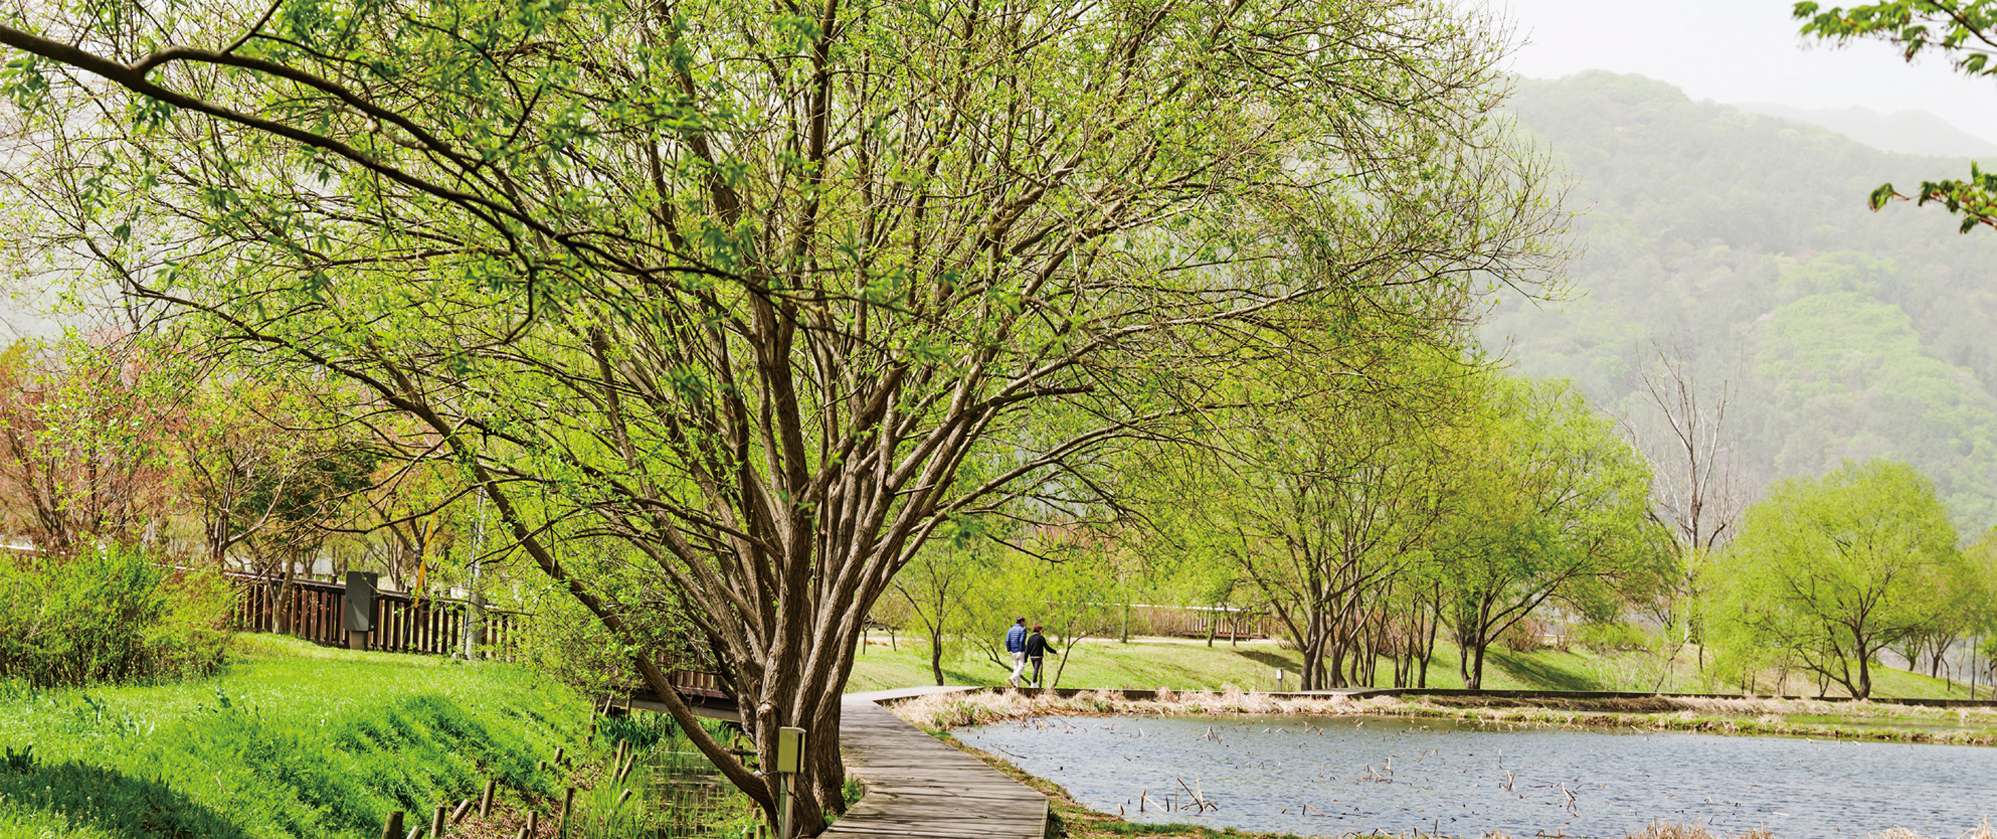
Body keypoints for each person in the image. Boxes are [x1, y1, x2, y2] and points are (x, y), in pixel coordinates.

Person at [1024, 624, 1058, 689]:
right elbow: (1047, 647)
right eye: (1041, 630)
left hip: (1032, 656)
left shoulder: (1030, 638)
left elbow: (1027, 649)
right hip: (1038, 656)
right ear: (1039, 630)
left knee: (1035, 669)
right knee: (1036, 669)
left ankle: (1035, 683)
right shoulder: (1041, 638)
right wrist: (1055, 652)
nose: (1041, 631)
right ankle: (1033, 683)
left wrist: (1025, 658)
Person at [1004, 617, 1028, 687]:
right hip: (1020, 650)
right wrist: (1021, 649)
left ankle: (1016, 684)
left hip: (1013, 651)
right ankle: (1013, 677)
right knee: (1021, 666)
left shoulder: (1010, 630)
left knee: (1016, 667)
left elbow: (1007, 640)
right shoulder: (1023, 629)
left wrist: (1009, 650)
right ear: (1022, 622)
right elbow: (1021, 640)